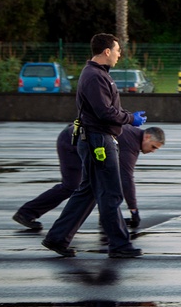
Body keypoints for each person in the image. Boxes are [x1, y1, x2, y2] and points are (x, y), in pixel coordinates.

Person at [41, 33, 147, 258]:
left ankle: (57, 238)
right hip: (98, 140)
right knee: (111, 193)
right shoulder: (96, 76)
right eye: (117, 50)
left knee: (87, 192)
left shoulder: (96, 74)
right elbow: (104, 112)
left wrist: (127, 118)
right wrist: (130, 118)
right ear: (106, 51)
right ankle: (119, 245)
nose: (119, 54)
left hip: (94, 139)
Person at [15, 124, 164, 232]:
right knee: (71, 186)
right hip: (71, 144)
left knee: (98, 182)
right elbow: (126, 179)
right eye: (153, 147)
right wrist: (133, 209)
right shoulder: (130, 143)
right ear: (147, 136)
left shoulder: (133, 138)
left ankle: (106, 219)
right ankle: (26, 213)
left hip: (84, 142)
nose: (153, 151)